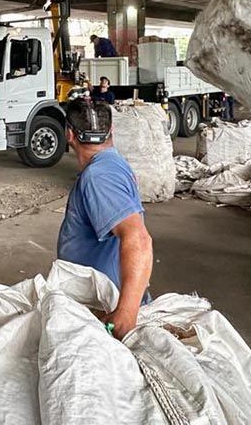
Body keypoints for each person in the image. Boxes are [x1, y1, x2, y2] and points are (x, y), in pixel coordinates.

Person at [57, 98, 154, 340]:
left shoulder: (99, 176)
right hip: (102, 298)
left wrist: (126, 313)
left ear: (69, 134)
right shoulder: (110, 163)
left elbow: (139, 240)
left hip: (106, 307)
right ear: (110, 131)